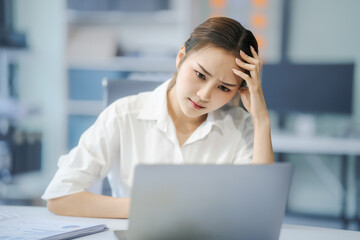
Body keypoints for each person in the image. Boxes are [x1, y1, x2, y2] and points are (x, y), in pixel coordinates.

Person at [42, 16, 274, 219]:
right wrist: (150, 209)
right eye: (200, 74)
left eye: (224, 88)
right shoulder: (123, 115)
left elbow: (263, 209)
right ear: (181, 56)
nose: (204, 95)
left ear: (239, 90)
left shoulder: (240, 128)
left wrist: (261, 118)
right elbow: (60, 196)